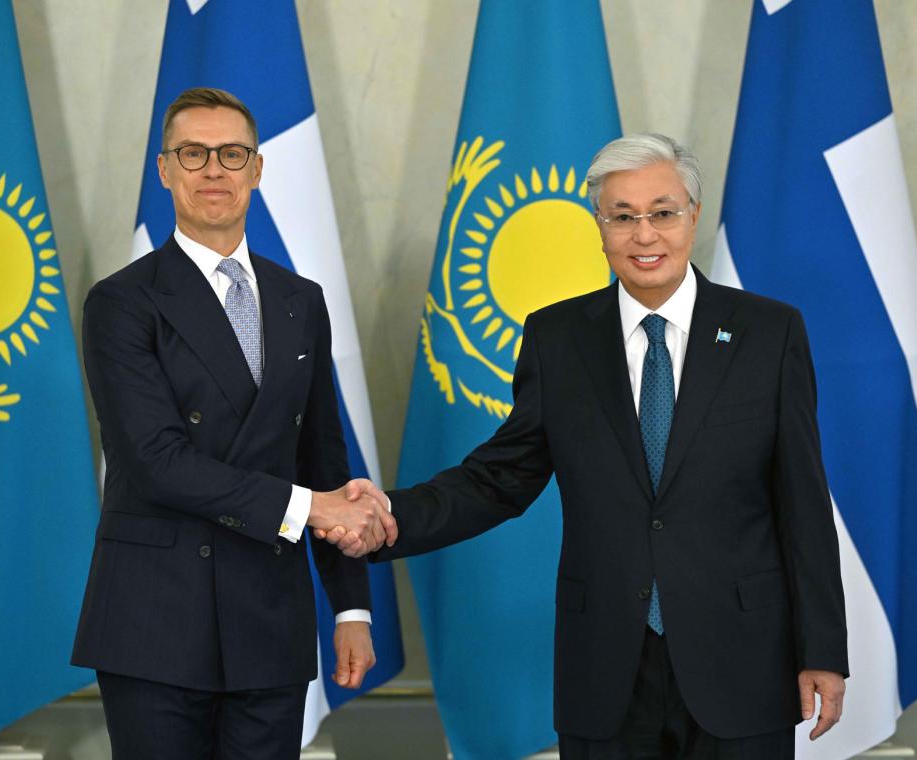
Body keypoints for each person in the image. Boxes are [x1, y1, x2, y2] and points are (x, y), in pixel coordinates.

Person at [329, 133, 848, 758]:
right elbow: (500, 478)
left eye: (662, 213)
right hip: (605, 667)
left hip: (741, 657)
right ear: (599, 229)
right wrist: (389, 518)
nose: (644, 235)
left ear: (693, 216)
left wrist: (822, 650)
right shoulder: (558, 338)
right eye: (622, 217)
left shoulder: (769, 332)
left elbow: (804, 505)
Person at [71, 87, 395, 760]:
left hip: (267, 617)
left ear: (257, 169)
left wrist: (352, 609)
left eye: (232, 153)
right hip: (155, 621)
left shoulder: (299, 300)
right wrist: (313, 508)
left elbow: (323, 457)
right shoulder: (120, 304)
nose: (213, 170)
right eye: (194, 153)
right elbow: (157, 461)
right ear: (164, 170)